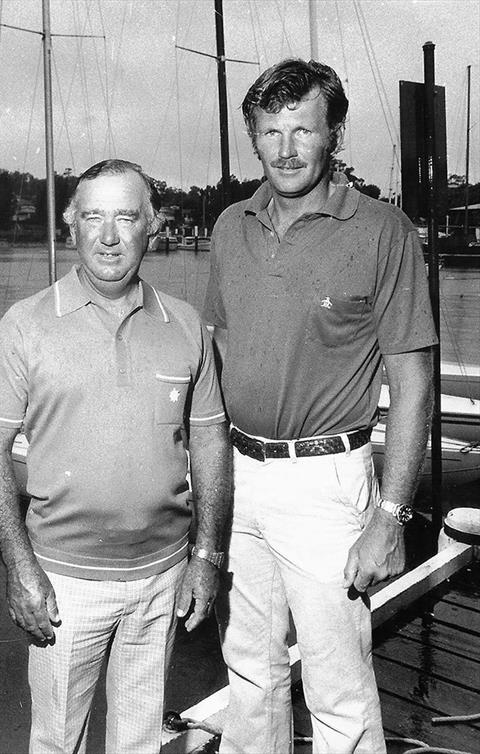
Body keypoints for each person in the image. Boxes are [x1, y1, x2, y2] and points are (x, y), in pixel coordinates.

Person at [204, 59, 437, 753]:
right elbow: (213, 361)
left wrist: (389, 519)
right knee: (249, 671)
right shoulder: (229, 227)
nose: (286, 148)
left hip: (327, 485)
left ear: (334, 133)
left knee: (338, 688)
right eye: (271, 131)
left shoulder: (383, 231)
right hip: (240, 480)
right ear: (254, 139)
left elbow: (415, 383)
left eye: (303, 129)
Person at [0, 159, 232, 754]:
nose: (109, 236)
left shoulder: (187, 326)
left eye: (126, 217)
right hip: (63, 583)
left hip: (163, 577)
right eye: (93, 216)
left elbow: (212, 443)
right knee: (55, 742)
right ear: (71, 225)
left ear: (152, 226)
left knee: (139, 742)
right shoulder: (25, 325)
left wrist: (207, 556)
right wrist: (19, 567)